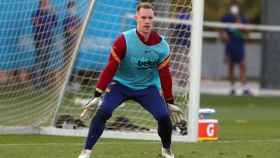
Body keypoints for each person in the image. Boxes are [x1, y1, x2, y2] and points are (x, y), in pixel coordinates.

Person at [78, 2, 177, 158]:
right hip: (120, 85)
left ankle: (167, 151)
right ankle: (86, 152)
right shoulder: (123, 40)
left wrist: (170, 101)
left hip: (147, 88)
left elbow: (165, 75)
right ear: (136, 18)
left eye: (150, 18)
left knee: (163, 116)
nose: (147, 21)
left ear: (154, 19)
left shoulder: (162, 46)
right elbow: (110, 68)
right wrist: (97, 94)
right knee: (104, 111)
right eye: (143, 17)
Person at [219, 1, 251, 95]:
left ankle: (244, 87)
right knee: (231, 66)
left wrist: (241, 26)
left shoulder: (243, 18)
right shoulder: (226, 18)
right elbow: (221, 31)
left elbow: (248, 33)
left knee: (242, 65)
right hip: (230, 45)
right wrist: (223, 36)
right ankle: (232, 88)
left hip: (239, 45)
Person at [31, 0, 58, 88]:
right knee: (39, 60)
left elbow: (55, 24)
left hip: (49, 40)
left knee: (46, 62)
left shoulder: (49, 14)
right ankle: (36, 82)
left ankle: (44, 82)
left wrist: (54, 13)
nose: (49, 4)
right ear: (42, 4)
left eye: (49, 3)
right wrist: (44, 21)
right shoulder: (37, 13)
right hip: (40, 40)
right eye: (47, 3)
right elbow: (36, 24)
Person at [63, 1, 82, 66]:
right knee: (67, 60)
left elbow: (80, 29)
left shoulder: (77, 18)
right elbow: (69, 31)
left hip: (76, 43)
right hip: (68, 43)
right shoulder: (66, 19)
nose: (73, 9)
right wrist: (76, 31)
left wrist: (76, 31)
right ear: (68, 9)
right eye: (71, 8)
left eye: (73, 7)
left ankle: (71, 75)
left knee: (74, 61)